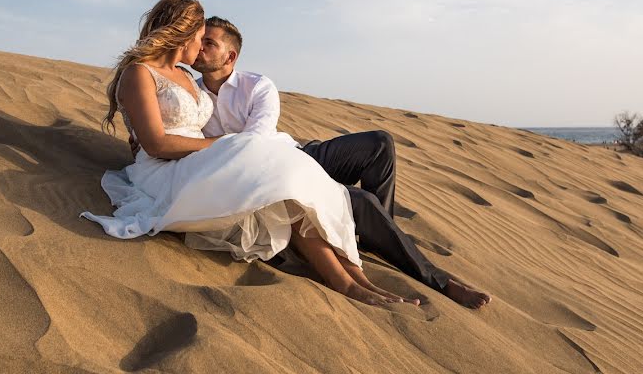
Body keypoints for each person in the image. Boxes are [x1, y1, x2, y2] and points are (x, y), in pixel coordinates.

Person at [81, 0, 406, 306]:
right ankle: (343, 282)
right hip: (165, 168)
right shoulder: (140, 73)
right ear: (184, 37)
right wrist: (226, 147)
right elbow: (156, 143)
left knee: (284, 183)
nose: (201, 46)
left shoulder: (187, 77)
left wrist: (226, 149)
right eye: (200, 38)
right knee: (276, 187)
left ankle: (354, 273)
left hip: (201, 158)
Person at [185, 16, 490, 309]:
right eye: (199, 42)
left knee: (379, 143)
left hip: (294, 156)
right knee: (362, 201)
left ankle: (377, 235)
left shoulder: (258, 86)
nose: (198, 48)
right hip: (269, 178)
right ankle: (437, 279)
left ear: (230, 56)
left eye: (208, 43)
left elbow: (258, 139)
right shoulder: (192, 96)